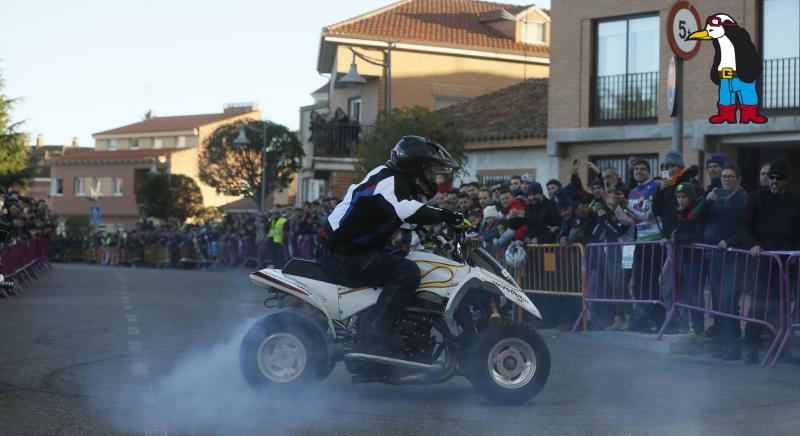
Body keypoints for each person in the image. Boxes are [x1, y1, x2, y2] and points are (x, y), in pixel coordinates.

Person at [318, 135, 466, 351]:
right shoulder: (390, 180)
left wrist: (435, 236)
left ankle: (397, 326)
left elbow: (401, 219)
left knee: (407, 260)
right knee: (407, 273)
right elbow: (406, 210)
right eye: (429, 171)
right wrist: (448, 215)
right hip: (341, 255)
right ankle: (373, 336)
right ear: (415, 167)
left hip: (348, 250)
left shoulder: (392, 180)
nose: (432, 178)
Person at [738, 157, 800, 364]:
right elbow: (744, 225)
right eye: (771, 177)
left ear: (786, 180)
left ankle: (780, 348)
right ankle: (751, 349)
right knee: (758, 304)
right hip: (763, 260)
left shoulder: (795, 202)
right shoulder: (756, 198)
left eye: (778, 178)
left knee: (782, 306)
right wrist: (753, 244)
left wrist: (796, 254)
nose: (774, 181)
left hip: (786, 262)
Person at [620, 157, 664, 331]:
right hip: (639, 241)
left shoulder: (654, 186)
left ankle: (656, 320)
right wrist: (616, 206)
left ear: (649, 171)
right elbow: (628, 219)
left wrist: (625, 205)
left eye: (642, 169)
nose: (639, 172)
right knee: (638, 284)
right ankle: (642, 321)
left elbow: (646, 214)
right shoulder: (632, 192)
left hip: (655, 240)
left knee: (652, 284)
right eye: (636, 169)